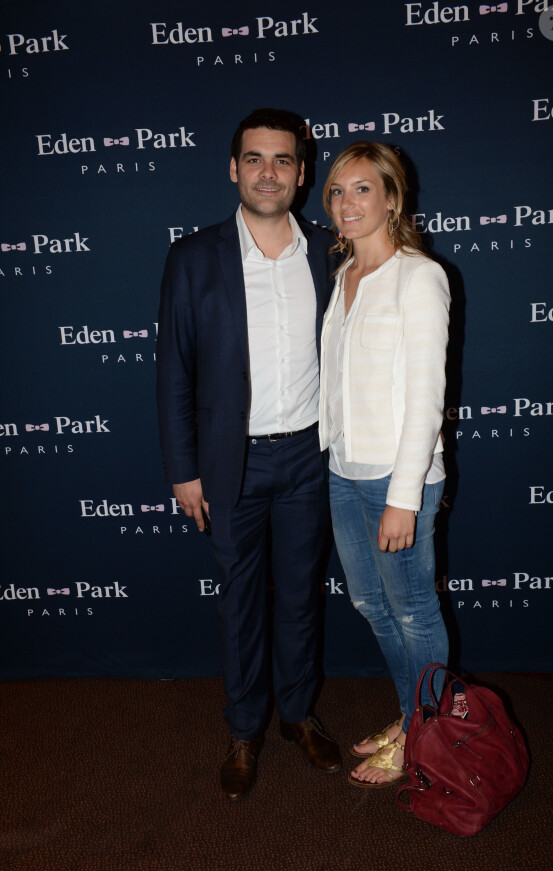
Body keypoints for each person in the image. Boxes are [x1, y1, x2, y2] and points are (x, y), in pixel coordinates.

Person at [156, 108, 341, 802]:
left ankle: (296, 714)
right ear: (234, 169)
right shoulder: (193, 256)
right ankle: (244, 728)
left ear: (301, 171)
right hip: (229, 464)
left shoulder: (329, 251)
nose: (269, 172)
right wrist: (184, 468)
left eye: (283, 160)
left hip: (308, 459)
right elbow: (173, 370)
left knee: (299, 599)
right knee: (240, 603)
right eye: (255, 159)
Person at [319, 142, 450, 787]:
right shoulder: (342, 279)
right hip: (344, 474)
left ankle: (429, 740)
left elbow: (426, 398)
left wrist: (405, 496)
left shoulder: (419, 277)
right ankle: (413, 716)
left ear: (393, 198)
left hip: (397, 481)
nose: (347, 203)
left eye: (362, 189)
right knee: (371, 603)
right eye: (338, 191)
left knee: (414, 612)